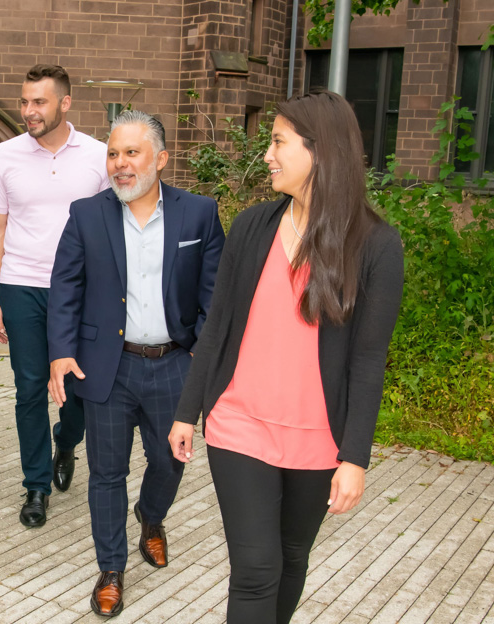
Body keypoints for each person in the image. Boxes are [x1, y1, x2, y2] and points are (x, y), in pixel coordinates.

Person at [168, 91, 404, 624]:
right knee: (255, 568)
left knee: (291, 559)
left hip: (319, 438)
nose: (268, 155)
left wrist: (355, 457)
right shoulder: (253, 227)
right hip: (239, 423)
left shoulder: (377, 248)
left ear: (320, 151)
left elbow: (369, 361)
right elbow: (218, 326)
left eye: (278, 142)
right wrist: (187, 410)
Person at [47, 110, 225, 617]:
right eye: (113, 153)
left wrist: (204, 361)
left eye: (132, 153)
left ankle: (150, 515)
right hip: (107, 367)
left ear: (161, 159)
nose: (120, 165)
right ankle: (111, 568)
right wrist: (62, 352)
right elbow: (65, 289)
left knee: (170, 460)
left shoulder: (199, 215)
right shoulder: (86, 214)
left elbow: (216, 297)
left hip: (175, 363)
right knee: (106, 472)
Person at [0, 64, 110, 528]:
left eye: (39, 102)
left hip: (81, 290)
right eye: (24, 102)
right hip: (22, 286)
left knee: (80, 388)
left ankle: (67, 441)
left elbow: (108, 229)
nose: (29, 111)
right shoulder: (3, 156)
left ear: (65, 103)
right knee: (30, 388)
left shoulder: (98, 156)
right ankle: (35, 485)